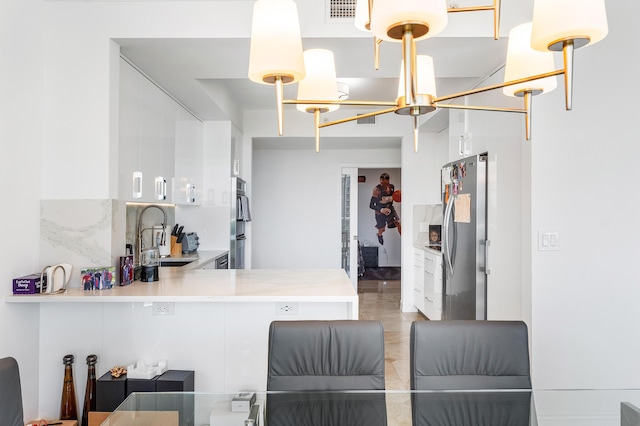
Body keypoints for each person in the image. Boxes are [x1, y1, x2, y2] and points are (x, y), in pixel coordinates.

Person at [369, 172, 401, 245]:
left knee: (398, 222)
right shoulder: (376, 190)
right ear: (380, 181)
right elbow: (371, 205)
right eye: (382, 182)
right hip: (380, 211)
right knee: (382, 229)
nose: (383, 184)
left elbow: (393, 198)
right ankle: (379, 235)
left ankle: (404, 237)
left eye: (385, 182)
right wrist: (381, 210)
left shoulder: (392, 187)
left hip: (390, 209)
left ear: (388, 181)